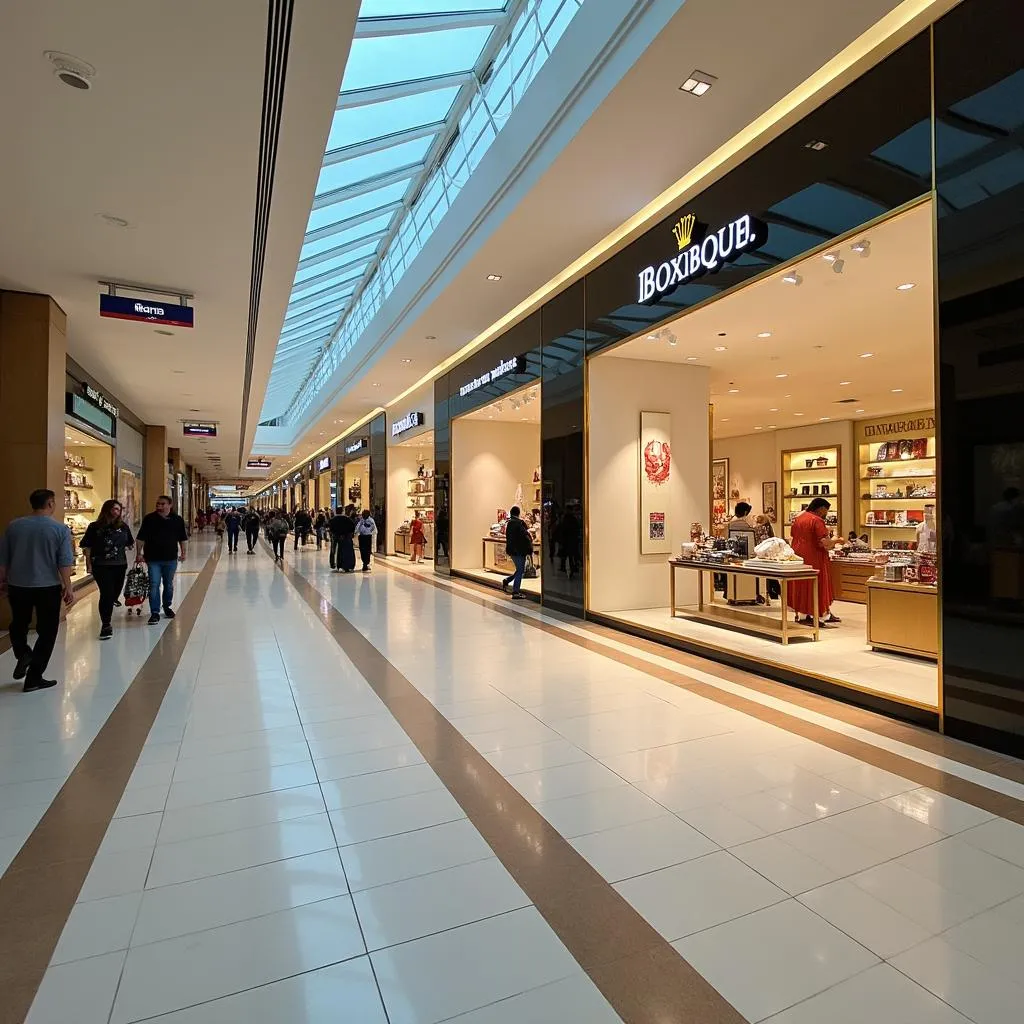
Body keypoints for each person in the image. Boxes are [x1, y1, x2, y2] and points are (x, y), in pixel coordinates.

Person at [0, 489, 76, 691]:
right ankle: (34, 677)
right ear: (50, 503)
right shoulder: (59, 529)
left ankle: (23, 652)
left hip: (18, 585)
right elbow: (64, 562)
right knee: (47, 630)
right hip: (47, 586)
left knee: (19, 623)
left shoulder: (14, 527)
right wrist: (68, 587)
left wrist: (3, 580)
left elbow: (3, 558)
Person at [80, 499, 135, 640]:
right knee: (106, 593)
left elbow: (130, 543)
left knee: (115, 592)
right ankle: (106, 624)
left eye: (118, 509)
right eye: (114, 509)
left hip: (120, 564)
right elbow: (87, 546)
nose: (116, 512)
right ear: (107, 510)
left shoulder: (123, 527)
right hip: (101, 565)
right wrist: (88, 564)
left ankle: (111, 602)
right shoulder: (95, 527)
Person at [787, 496, 842, 626]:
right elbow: (825, 543)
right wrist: (838, 540)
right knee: (817, 584)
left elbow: (793, 535)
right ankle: (819, 613)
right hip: (815, 557)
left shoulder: (798, 518)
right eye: (826, 511)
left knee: (801, 585)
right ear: (822, 508)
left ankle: (803, 614)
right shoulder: (817, 521)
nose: (826, 514)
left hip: (798, 556)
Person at [136, 495, 188, 625]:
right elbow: (140, 538)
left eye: (162, 504)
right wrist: (138, 553)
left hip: (170, 558)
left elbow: (183, 538)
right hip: (153, 558)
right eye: (158, 504)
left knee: (168, 585)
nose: (159, 506)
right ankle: (154, 612)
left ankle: (167, 607)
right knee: (154, 584)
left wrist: (184, 553)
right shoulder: (149, 519)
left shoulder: (177, 520)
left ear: (170, 505)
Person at [501, 505, 533, 600]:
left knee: (520, 569)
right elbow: (525, 536)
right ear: (518, 513)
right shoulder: (519, 523)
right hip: (519, 550)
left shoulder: (509, 523)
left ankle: (507, 580)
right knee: (520, 570)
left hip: (511, 550)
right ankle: (516, 592)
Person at [329, 506, 356, 572]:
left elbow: (331, 528)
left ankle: (333, 564)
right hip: (345, 537)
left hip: (335, 536)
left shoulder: (333, 520)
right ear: (342, 511)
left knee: (334, 550)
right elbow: (352, 528)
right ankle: (346, 564)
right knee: (344, 551)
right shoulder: (347, 519)